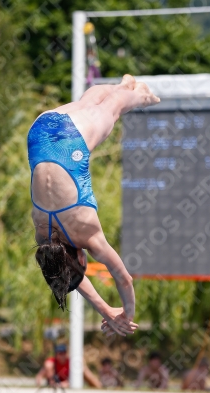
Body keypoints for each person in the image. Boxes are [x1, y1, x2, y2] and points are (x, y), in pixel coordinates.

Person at [28, 75, 160, 337]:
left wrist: (125, 315)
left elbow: (123, 278)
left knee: (116, 107)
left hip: (70, 142)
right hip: (40, 130)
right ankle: (124, 84)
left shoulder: (88, 235)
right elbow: (64, 274)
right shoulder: (43, 237)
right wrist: (105, 310)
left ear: (79, 257)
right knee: (90, 101)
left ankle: (142, 94)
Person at [36, 344, 101, 388]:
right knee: (48, 366)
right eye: (60, 353)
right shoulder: (52, 362)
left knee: (83, 368)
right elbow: (40, 376)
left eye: (64, 353)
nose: (62, 356)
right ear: (56, 354)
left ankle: (98, 386)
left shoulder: (70, 362)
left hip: (69, 380)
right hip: (56, 381)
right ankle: (52, 384)